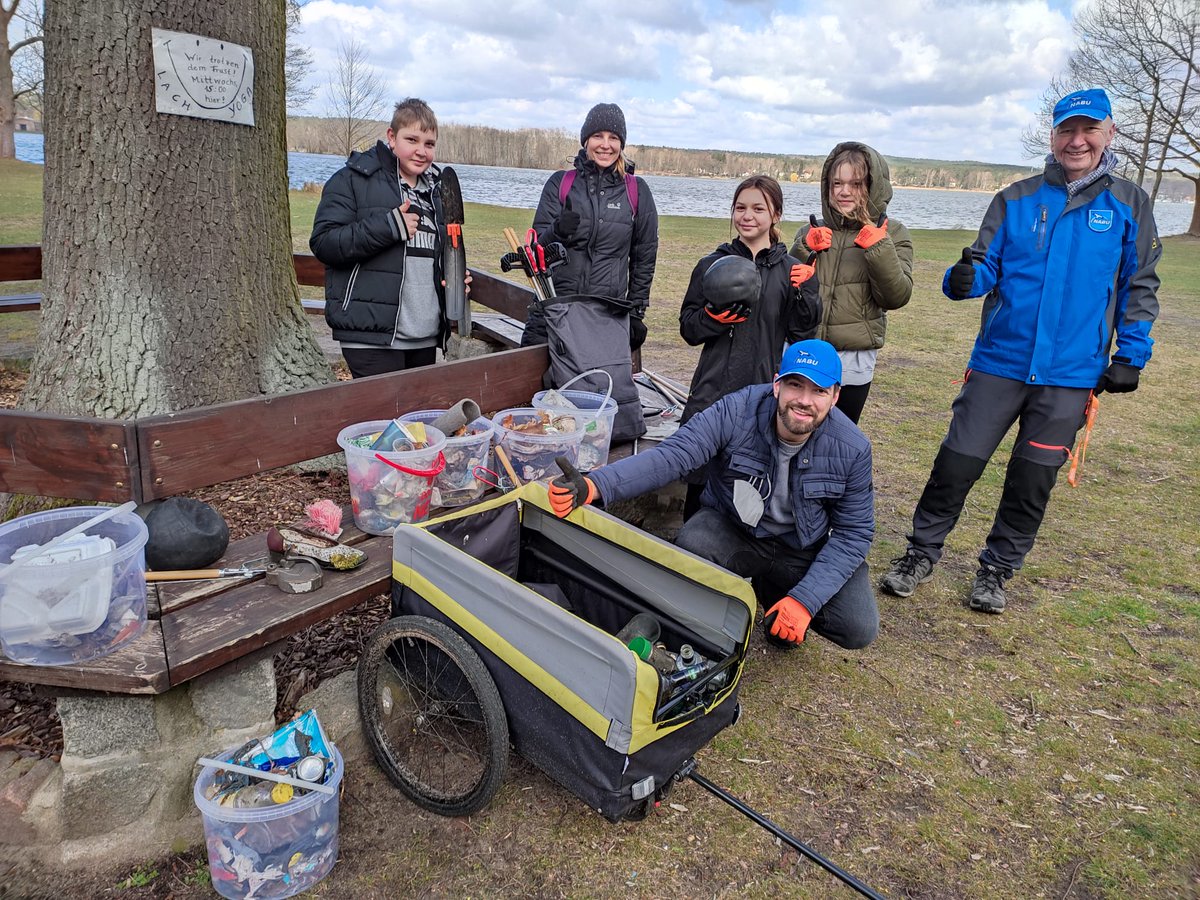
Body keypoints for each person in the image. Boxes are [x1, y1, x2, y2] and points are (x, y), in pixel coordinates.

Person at [880, 88, 1162, 614]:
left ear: (1109, 134)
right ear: (1052, 137)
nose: (1077, 141)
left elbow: (1139, 284)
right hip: (999, 364)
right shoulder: (1016, 198)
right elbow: (984, 266)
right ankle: (920, 553)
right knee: (956, 464)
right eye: (1066, 131)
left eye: (1088, 130)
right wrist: (962, 279)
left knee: (1032, 479)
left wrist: (1131, 354)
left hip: (1070, 375)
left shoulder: (1130, 204)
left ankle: (996, 571)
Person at [549, 340, 878, 651]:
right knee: (693, 544)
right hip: (737, 530)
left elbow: (854, 533)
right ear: (777, 384)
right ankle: (715, 612)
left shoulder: (853, 448)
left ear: (835, 397)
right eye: (795, 385)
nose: (804, 400)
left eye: (819, 390)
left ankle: (776, 596)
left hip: (800, 547)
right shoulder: (737, 410)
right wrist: (596, 485)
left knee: (858, 625)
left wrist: (805, 600)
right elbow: (674, 456)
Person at [678, 175, 821, 517]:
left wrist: (809, 292)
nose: (748, 216)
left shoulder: (791, 271)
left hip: (760, 392)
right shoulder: (711, 264)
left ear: (776, 215)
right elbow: (689, 328)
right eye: (741, 207)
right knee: (699, 478)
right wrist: (715, 319)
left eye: (759, 208)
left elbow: (803, 334)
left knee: (747, 484)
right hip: (711, 390)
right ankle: (688, 549)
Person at [310, 98, 465, 379]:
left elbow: (436, 256)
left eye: (429, 144)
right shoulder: (352, 180)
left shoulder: (438, 192)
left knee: (414, 422)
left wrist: (452, 281)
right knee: (381, 423)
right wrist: (389, 226)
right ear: (391, 138)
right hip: (371, 338)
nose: (421, 151)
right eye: (412, 140)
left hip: (424, 336)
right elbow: (325, 243)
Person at [790, 142, 913, 424]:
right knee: (793, 429)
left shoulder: (893, 232)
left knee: (838, 439)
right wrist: (802, 250)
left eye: (855, 183)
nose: (844, 191)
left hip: (853, 359)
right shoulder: (809, 229)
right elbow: (784, 289)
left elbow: (897, 297)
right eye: (837, 183)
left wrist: (879, 248)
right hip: (803, 349)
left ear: (873, 186)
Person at [524, 103, 659, 349]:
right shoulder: (560, 183)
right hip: (553, 311)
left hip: (606, 316)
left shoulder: (636, 191)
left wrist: (637, 312)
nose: (605, 144)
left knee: (597, 386)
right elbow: (534, 254)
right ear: (586, 140)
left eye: (613, 138)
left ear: (621, 144)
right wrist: (558, 231)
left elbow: (644, 257)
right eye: (598, 136)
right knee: (535, 386)